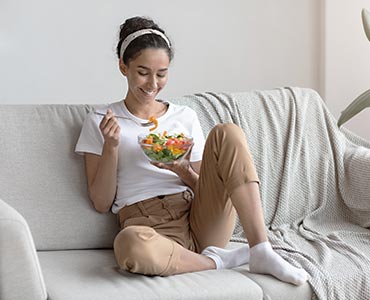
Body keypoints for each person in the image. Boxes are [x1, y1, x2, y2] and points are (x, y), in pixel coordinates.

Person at [75, 16, 308, 285]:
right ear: (123, 67)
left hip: (199, 217)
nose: (152, 84)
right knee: (129, 244)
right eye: (142, 72)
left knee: (227, 132)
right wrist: (111, 147)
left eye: (161, 74)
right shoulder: (101, 120)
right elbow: (101, 202)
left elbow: (204, 188)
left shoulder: (184, 116)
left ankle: (261, 249)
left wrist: (183, 170)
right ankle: (219, 260)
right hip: (148, 225)